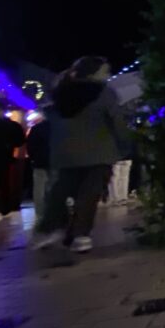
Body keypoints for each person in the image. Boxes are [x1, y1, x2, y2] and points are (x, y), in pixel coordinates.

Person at [32, 57, 129, 253]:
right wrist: (126, 145)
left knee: (59, 190)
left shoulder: (60, 93)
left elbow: (51, 119)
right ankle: (80, 235)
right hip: (100, 151)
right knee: (89, 195)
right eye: (105, 71)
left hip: (65, 153)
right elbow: (117, 122)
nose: (108, 75)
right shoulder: (104, 93)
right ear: (93, 73)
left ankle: (51, 229)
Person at [26, 113, 52, 223]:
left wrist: (33, 158)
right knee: (53, 187)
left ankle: (40, 214)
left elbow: (30, 146)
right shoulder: (59, 128)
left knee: (39, 189)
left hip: (39, 162)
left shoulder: (36, 128)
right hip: (55, 162)